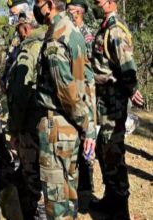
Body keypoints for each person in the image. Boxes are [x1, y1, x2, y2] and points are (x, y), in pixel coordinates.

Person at [33, 0, 96, 218]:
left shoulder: (55, 38)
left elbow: (67, 92)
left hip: (57, 127)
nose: (35, 7)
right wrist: (88, 124)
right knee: (69, 197)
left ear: (49, 5)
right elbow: (87, 82)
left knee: (57, 204)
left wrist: (86, 124)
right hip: (70, 128)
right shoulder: (74, 32)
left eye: (38, 3)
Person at [89, 0, 144, 219]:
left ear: (111, 2)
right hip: (104, 102)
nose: (97, 3)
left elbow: (126, 64)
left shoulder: (115, 30)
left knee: (113, 151)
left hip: (114, 103)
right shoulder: (104, 27)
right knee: (105, 150)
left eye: (100, 1)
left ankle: (121, 208)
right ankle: (110, 199)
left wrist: (131, 89)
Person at [6, 12, 45, 219]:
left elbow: (20, 94)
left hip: (29, 124)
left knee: (32, 175)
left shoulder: (29, 51)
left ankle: (37, 213)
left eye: (19, 28)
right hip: (43, 122)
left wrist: (15, 129)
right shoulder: (48, 43)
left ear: (26, 28)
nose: (18, 33)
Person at [66, 0, 96, 195]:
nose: (68, 14)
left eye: (71, 11)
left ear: (79, 12)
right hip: (75, 88)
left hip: (86, 88)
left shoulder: (85, 34)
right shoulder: (69, 32)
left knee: (88, 133)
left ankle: (87, 182)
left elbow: (90, 61)